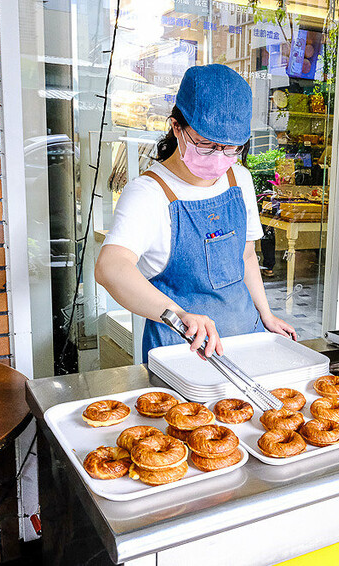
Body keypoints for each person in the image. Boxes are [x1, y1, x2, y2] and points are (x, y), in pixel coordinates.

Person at [95, 64, 296, 361]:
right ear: (177, 127)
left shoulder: (238, 179)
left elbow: (247, 255)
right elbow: (111, 268)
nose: (220, 158)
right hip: (184, 349)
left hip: (247, 338)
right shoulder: (148, 193)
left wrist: (265, 315)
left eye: (231, 148)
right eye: (206, 145)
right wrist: (178, 314)